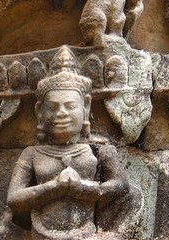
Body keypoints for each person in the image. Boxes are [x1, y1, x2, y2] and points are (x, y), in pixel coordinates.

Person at [7, 46, 130, 239]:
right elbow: (14, 198)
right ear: (40, 112)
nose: (61, 113)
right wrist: (53, 188)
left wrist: (84, 188)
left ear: (86, 107)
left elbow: (121, 185)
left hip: (88, 234)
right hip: (41, 233)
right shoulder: (32, 153)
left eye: (70, 106)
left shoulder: (99, 150)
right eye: (52, 107)